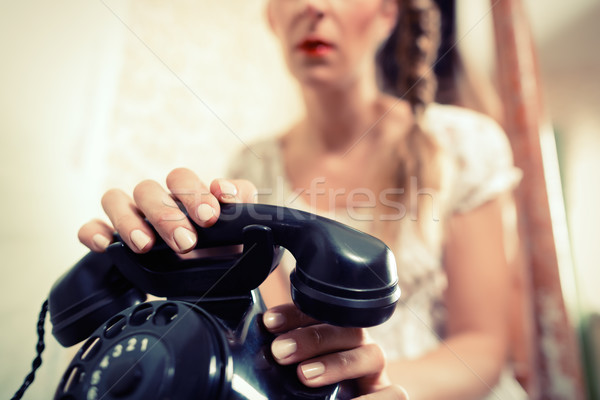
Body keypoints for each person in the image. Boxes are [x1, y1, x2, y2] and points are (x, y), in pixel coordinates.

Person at [79, 0, 528, 399]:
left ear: (388, 13)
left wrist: (378, 385)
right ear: (273, 16)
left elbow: (481, 347)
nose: (313, 6)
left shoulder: (466, 143)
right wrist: (200, 273)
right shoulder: (251, 166)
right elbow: (274, 333)